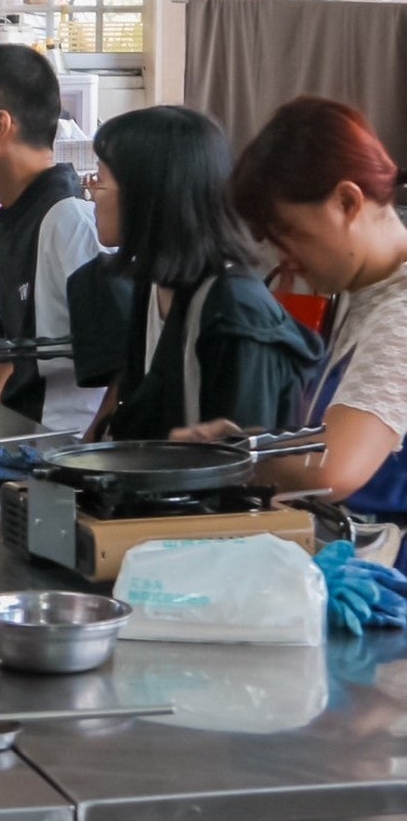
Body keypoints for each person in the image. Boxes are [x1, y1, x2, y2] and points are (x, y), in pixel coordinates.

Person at [185, 97, 407, 544]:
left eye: (293, 234)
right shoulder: (357, 291)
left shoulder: (400, 310)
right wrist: (249, 440)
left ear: (347, 201)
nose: (286, 260)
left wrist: (236, 458)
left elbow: (333, 470)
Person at [77, 105, 321, 440]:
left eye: (99, 180)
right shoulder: (152, 284)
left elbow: (246, 467)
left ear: (147, 194)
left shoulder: (237, 311)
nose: (91, 196)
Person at [0, 44, 102, 433]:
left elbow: (123, 362)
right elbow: (9, 347)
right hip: (23, 440)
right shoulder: (11, 215)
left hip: (67, 447)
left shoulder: (69, 220)